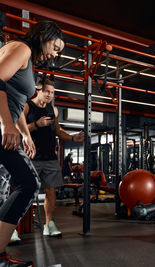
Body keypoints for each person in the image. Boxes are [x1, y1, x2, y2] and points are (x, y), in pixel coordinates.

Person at [0, 20, 64, 266]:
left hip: (7, 126)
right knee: (28, 183)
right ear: (45, 36)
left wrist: (24, 133)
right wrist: (6, 124)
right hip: (1, 128)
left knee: (4, 189)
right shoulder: (22, 49)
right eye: (56, 47)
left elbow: (15, 101)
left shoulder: (23, 55)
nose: (55, 54)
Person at [23, 78, 84, 238]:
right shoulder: (27, 106)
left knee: (51, 191)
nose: (50, 95)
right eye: (47, 92)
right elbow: (18, 127)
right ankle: (13, 227)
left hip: (50, 157)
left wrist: (72, 138)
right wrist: (36, 124)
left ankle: (48, 224)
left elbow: (57, 130)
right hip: (32, 156)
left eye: (52, 92)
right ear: (38, 90)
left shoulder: (53, 110)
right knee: (24, 191)